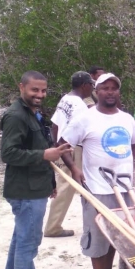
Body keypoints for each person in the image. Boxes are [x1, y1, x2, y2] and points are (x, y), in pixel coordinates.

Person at [57, 73, 135, 269]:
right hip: (97, 188)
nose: (110, 92)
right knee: (99, 236)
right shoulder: (85, 118)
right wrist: (74, 168)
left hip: (124, 188)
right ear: (96, 91)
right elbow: (62, 144)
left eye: (114, 88)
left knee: (116, 234)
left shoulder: (126, 119)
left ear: (118, 92)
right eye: (105, 88)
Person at [0, 71, 72, 269]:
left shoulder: (33, 113)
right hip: (25, 190)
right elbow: (8, 153)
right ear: (22, 87)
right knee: (28, 242)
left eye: (43, 90)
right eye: (34, 90)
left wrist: (49, 183)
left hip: (34, 186)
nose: (39, 95)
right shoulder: (16, 115)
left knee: (20, 238)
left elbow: (40, 147)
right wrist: (44, 154)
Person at [43, 71, 95, 238]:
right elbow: (79, 131)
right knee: (66, 187)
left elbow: (55, 124)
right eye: (91, 85)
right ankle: (53, 227)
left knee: (67, 186)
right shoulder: (79, 106)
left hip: (62, 146)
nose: (92, 88)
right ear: (84, 85)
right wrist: (64, 148)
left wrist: (55, 144)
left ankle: (56, 224)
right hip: (71, 149)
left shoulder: (65, 99)